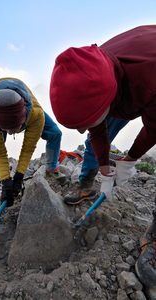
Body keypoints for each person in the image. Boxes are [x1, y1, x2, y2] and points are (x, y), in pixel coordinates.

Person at [49, 25, 156, 288]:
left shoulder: (149, 80)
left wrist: (130, 160)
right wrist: (108, 171)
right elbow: (97, 131)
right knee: (99, 130)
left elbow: (153, 128)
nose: (82, 129)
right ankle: (88, 185)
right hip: (121, 84)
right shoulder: (89, 73)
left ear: (107, 100)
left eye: (84, 122)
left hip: (146, 78)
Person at [0, 77, 66, 220]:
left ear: (24, 118)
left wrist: (19, 177)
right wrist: (6, 181)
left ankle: (51, 167)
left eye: (14, 129)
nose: (10, 133)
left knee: (55, 133)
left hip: (30, 114)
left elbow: (27, 149)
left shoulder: (35, 115)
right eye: (4, 129)